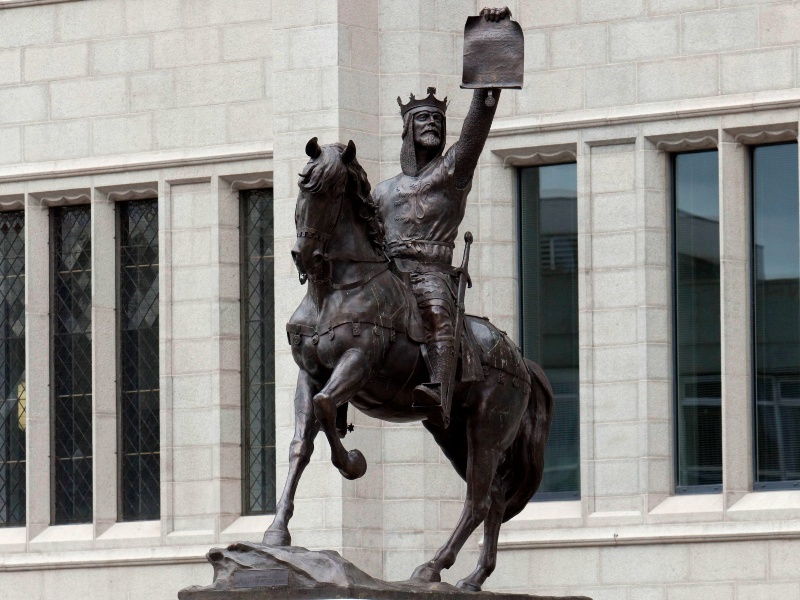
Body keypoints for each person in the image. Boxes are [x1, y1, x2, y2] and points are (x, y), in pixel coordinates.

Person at [371, 6, 511, 426]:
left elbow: (474, 131)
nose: (431, 123)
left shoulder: (452, 172)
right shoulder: (382, 190)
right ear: (407, 130)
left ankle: (437, 385)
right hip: (389, 276)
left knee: (436, 313)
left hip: (431, 272)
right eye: (423, 119)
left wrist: (490, 63)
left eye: (437, 119)